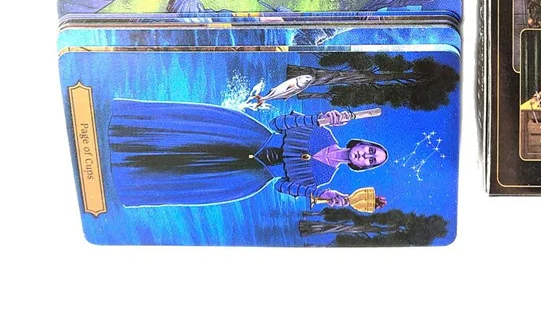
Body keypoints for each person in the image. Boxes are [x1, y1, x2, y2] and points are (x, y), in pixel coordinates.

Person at [108, 102, 387, 208]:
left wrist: (321, 195)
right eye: (371, 151)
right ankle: (125, 132)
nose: (367, 156)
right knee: (187, 135)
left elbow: (282, 187)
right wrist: (318, 119)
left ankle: (125, 177)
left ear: (362, 167)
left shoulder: (324, 179)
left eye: (371, 161)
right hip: (246, 135)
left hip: (250, 177)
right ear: (363, 143)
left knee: (187, 175)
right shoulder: (322, 132)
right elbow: (278, 123)